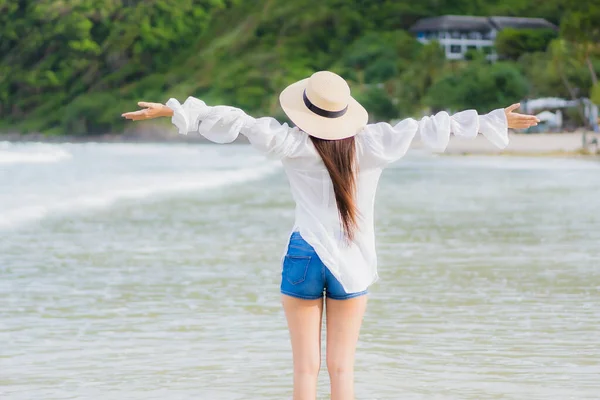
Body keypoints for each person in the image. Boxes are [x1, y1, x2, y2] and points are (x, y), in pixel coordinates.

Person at [122, 71, 538, 400]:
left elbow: (238, 121)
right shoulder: (374, 144)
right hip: (351, 261)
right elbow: (430, 128)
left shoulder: (292, 144)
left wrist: (173, 111)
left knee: (305, 369)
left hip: (304, 254)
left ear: (305, 111)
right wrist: (493, 120)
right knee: (342, 369)